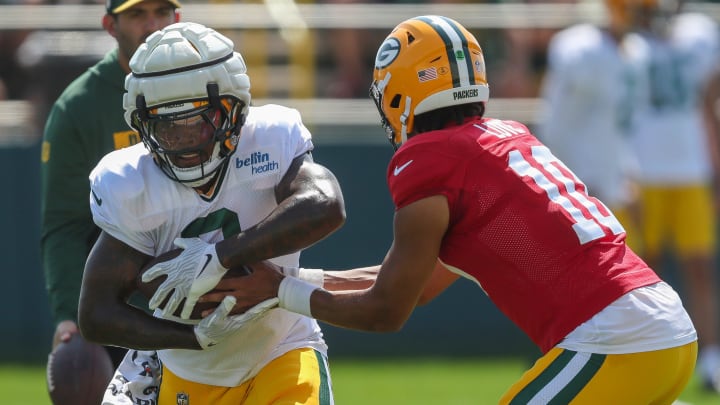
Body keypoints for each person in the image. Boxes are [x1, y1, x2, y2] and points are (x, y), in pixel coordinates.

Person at [198, 15, 699, 403]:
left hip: (616, 339)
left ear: (400, 90)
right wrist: (290, 279)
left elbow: (385, 311)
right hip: (664, 330)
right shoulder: (504, 140)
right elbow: (414, 288)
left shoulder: (428, 158)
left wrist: (279, 291)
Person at [77, 21, 353, 404]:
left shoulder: (270, 137)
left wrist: (221, 256)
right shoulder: (128, 181)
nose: (183, 140)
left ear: (232, 108)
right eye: (166, 126)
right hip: (189, 370)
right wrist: (191, 338)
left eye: (197, 122)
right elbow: (95, 313)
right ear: (142, 123)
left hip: (281, 348)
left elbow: (326, 204)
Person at [39, 0, 180, 398]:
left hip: (202, 291)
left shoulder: (211, 82)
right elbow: (65, 224)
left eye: (162, 12)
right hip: (124, 306)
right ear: (109, 25)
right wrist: (69, 316)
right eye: (137, 14)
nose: (152, 25)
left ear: (178, 18)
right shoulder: (78, 107)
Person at [619, 0, 720, 392]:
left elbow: (707, 104)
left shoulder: (700, 34)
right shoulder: (625, 43)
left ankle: (711, 362)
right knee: (644, 274)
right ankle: (648, 363)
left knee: (700, 268)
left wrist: (715, 166)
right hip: (641, 170)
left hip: (690, 167)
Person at [536, 0, 641, 250]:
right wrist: (575, 177)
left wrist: (626, 172)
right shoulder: (581, 49)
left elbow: (617, 124)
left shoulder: (632, 51)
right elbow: (557, 122)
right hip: (582, 184)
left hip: (611, 182)